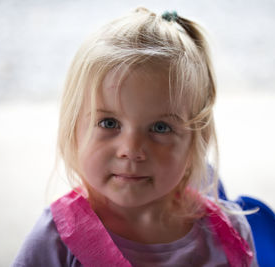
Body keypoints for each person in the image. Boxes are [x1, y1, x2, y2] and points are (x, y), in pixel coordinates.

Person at [13, 7, 258, 267]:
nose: (131, 150)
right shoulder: (55, 241)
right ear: (72, 128)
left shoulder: (229, 234)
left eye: (160, 127)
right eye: (109, 123)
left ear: (197, 139)